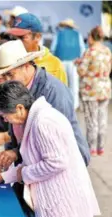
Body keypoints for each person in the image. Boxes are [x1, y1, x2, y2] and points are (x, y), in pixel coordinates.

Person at [0, 81, 100, 217]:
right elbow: (35, 159)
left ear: (19, 108)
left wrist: (21, 174)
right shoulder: (34, 119)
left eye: (5, 116)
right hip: (56, 199)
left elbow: (56, 163)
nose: (5, 120)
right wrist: (3, 177)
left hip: (63, 200)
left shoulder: (43, 122)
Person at [0, 40, 90, 166]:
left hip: (64, 164)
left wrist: (14, 151)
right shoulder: (12, 86)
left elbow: (56, 145)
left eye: (9, 74)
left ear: (26, 66)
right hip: (29, 163)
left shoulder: (54, 91)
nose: (4, 81)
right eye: (2, 75)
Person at [75, 26, 112, 156]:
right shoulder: (107, 51)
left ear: (92, 37)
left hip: (90, 90)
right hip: (105, 89)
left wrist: (78, 64)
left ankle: (92, 149)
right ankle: (101, 147)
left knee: (91, 120)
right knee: (102, 119)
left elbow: (81, 71)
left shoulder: (89, 52)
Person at [7, 13, 68, 85]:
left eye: (22, 37)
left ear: (37, 37)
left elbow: (61, 94)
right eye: (14, 38)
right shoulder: (6, 61)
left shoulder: (54, 64)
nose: (16, 42)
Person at [51, 18, 86, 109]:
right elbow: (82, 49)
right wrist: (79, 59)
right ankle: (74, 106)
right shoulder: (78, 35)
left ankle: (62, 104)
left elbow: (53, 49)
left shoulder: (58, 34)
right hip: (74, 62)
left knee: (62, 83)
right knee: (74, 85)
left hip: (61, 61)